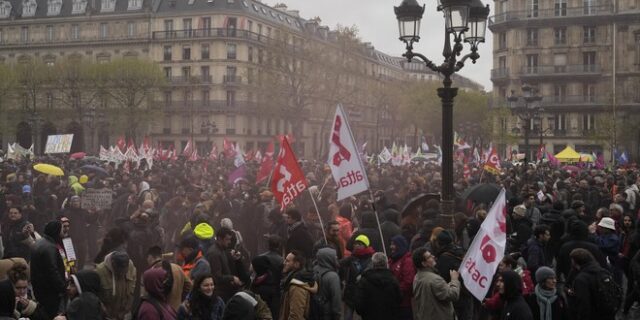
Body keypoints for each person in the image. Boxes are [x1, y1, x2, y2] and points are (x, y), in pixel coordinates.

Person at [30, 220, 66, 319]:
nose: (64, 232)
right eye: (62, 230)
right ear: (56, 231)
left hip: (39, 290)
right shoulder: (50, 247)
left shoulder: (39, 243)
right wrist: (63, 287)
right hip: (50, 292)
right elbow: (52, 271)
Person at [412, 247, 460, 320]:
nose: (433, 257)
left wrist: (449, 284)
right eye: (429, 257)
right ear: (424, 263)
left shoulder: (417, 277)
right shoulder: (434, 279)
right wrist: (454, 280)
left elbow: (438, 291)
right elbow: (453, 295)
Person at [567, 248, 614, 320]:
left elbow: (583, 305)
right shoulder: (603, 272)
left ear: (575, 261)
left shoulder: (581, 279)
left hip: (593, 315)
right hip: (608, 314)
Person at [355, 252, 402, 320]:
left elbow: (359, 303)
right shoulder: (393, 280)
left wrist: (363, 313)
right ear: (386, 264)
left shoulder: (364, 280)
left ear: (373, 264)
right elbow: (399, 298)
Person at [147, 245, 192, 311]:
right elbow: (189, 285)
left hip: (159, 312)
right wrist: (179, 298)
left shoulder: (150, 274)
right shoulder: (177, 268)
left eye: (147, 257)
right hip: (175, 311)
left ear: (150, 257)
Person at [340, 234, 374, 320]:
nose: (356, 246)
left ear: (365, 246)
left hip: (364, 293)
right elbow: (338, 264)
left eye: (360, 244)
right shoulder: (351, 258)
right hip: (350, 294)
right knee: (347, 317)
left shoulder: (371, 259)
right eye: (355, 243)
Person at [206, 227, 244, 301]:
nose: (229, 242)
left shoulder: (221, 250)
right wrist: (232, 278)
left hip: (225, 291)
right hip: (220, 294)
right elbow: (216, 277)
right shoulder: (214, 253)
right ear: (220, 239)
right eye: (227, 239)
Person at [95, 250, 136, 320]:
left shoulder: (131, 268)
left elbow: (131, 291)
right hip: (106, 316)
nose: (122, 274)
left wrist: (125, 311)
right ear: (113, 264)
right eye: (119, 271)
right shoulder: (100, 272)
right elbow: (95, 296)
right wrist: (104, 313)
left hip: (123, 314)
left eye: (124, 272)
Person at [279, 250, 317, 320]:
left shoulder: (297, 285)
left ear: (296, 264)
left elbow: (296, 316)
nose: (284, 263)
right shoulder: (291, 280)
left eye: (287, 261)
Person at [388, 235, 415, 320]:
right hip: (393, 302)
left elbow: (408, 281)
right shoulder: (391, 259)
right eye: (391, 244)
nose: (391, 247)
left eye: (394, 244)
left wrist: (395, 290)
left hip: (404, 303)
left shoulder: (407, 260)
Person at [313, 247, 342, 320]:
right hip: (327, 313)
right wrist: (337, 315)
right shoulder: (333, 276)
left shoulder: (314, 270)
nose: (336, 258)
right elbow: (336, 299)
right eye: (334, 256)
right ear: (328, 258)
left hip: (315, 310)